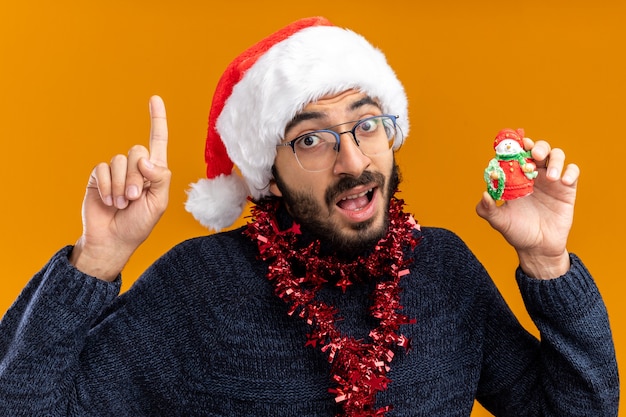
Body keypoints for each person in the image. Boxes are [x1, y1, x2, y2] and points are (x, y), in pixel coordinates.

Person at [0, 16, 618, 417]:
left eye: (366, 124)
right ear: (267, 172)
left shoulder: (444, 269)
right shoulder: (198, 286)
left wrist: (547, 263)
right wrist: (96, 260)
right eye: (311, 139)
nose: (353, 160)